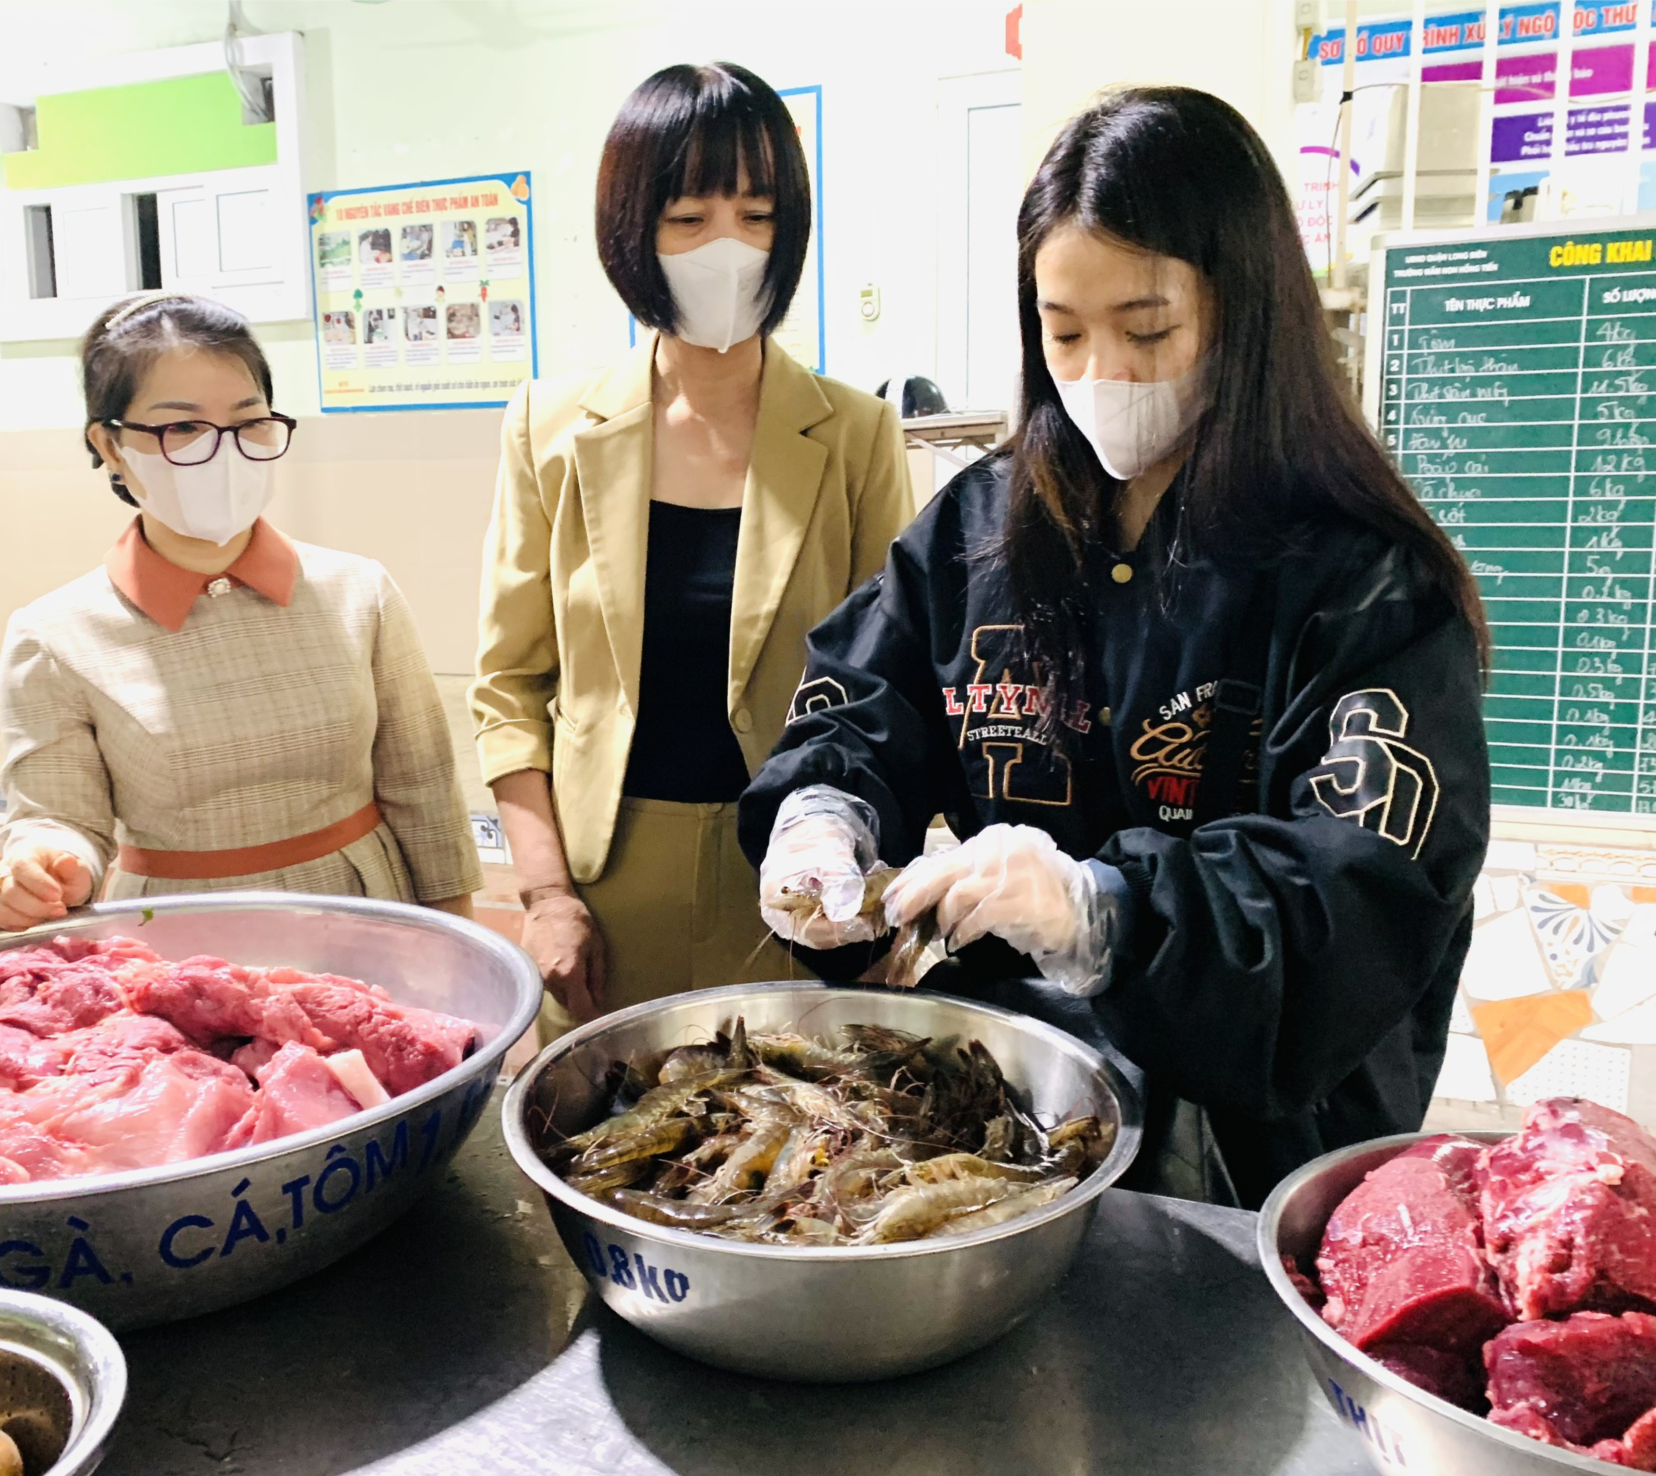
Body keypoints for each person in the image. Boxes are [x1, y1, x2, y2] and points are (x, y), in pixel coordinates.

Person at [740, 87, 1490, 1207]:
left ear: (1244, 311)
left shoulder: (1357, 576)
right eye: (1064, 332)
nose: (1103, 372)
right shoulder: (981, 529)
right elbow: (862, 701)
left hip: (1246, 1152)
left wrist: (1105, 912)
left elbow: (1358, 895)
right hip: (1014, 1123)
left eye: (1146, 331)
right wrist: (820, 817)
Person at [472, 62, 911, 1040]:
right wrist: (544, 894)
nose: (729, 249)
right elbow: (508, 687)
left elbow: (893, 686)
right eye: (689, 219)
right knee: (612, 1119)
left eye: (757, 217)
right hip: (605, 889)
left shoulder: (855, 434)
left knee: (807, 1128)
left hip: (802, 878)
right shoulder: (549, 427)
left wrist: (884, 877)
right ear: (633, 232)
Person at [0, 292, 479, 929]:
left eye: (249, 422)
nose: (224, 452)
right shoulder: (55, 636)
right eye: (182, 428)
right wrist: (37, 866)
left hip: (362, 913)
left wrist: (453, 938)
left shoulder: (359, 592)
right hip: (175, 933)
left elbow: (423, 787)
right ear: (110, 444)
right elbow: (56, 819)